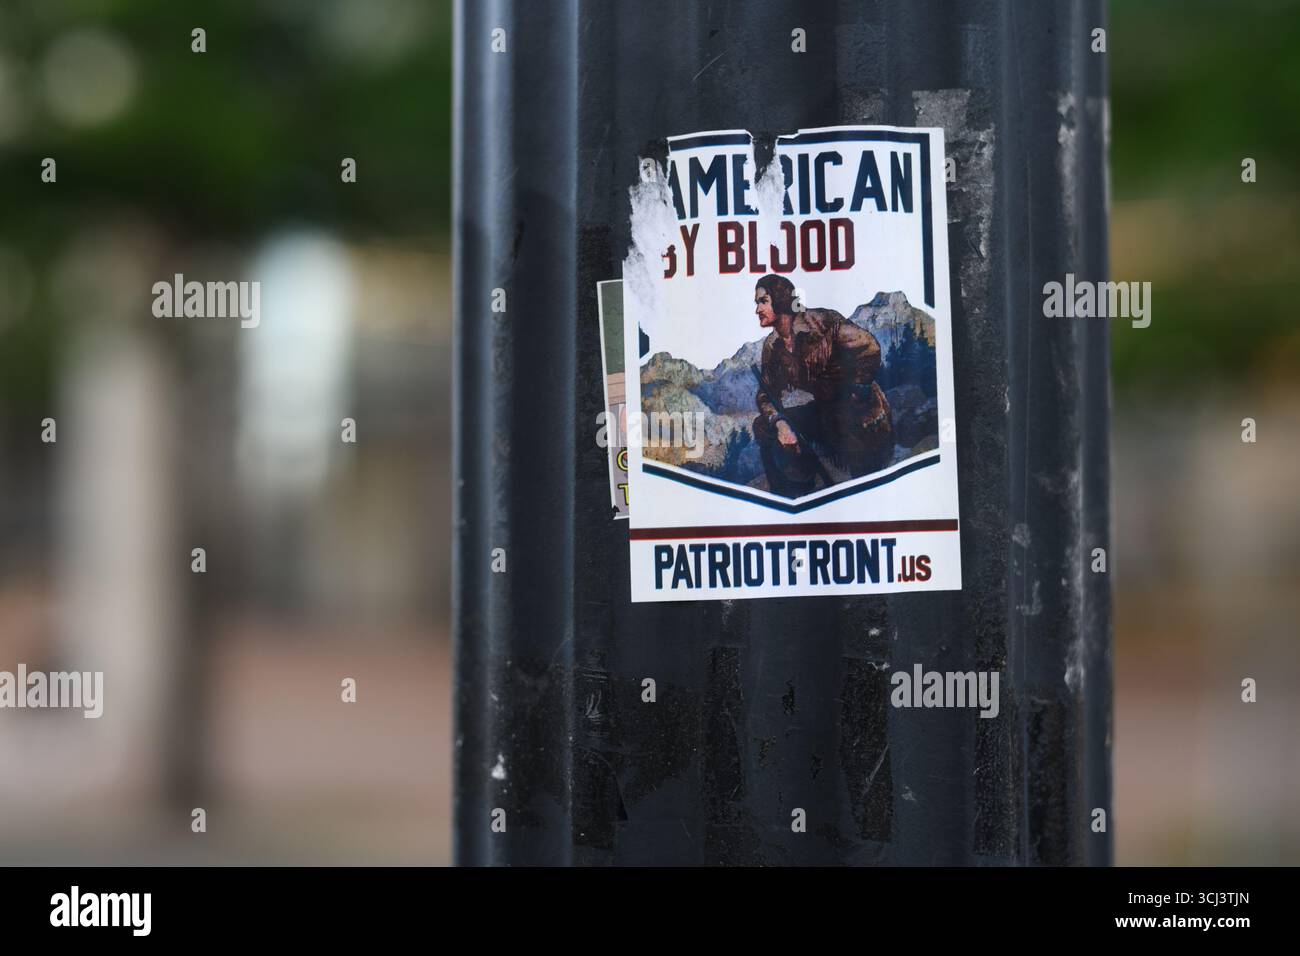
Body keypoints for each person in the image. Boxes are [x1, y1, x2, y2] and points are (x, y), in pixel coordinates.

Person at [751, 274, 893, 497]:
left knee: (863, 488)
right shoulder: (773, 346)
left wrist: (854, 388)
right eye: (757, 303)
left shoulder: (821, 323)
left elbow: (870, 348)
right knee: (763, 425)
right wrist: (780, 424)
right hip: (825, 410)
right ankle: (794, 496)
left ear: (779, 299)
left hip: (861, 410)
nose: (757, 309)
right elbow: (765, 395)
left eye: (763, 301)